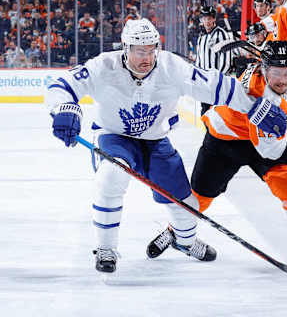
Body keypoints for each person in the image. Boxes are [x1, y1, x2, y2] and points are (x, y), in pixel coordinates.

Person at [45, 18, 267, 274]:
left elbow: (218, 86)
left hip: (156, 141)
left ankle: (185, 242)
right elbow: (62, 85)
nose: (147, 57)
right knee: (111, 177)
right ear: (125, 48)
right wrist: (64, 108)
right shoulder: (104, 65)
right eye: (140, 51)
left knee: (185, 202)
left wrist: (257, 107)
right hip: (114, 137)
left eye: (152, 50)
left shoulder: (171, 67)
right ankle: (106, 248)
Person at [146, 41, 287, 265]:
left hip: (262, 138)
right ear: (263, 68)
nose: (281, 80)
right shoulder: (256, 94)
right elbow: (269, 149)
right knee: (200, 198)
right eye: (275, 73)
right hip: (225, 139)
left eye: (286, 73)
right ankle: (175, 232)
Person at [195, 5, 232, 115]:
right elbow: (199, 60)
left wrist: (217, 78)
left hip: (217, 83)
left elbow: (226, 60)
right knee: (205, 113)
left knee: (217, 115)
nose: (207, 21)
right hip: (204, 83)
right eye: (204, 18)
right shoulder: (201, 37)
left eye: (209, 18)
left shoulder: (221, 34)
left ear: (214, 19)